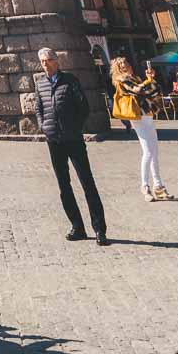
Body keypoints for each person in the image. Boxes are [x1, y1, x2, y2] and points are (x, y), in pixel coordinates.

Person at [33, 48, 109, 246]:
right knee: (63, 186)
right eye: (42, 61)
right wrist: (44, 127)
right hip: (54, 141)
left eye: (48, 60)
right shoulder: (40, 83)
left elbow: (83, 107)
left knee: (87, 183)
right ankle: (77, 227)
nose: (45, 64)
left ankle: (99, 229)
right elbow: (38, 108)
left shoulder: (70, 80)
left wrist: (74, 127)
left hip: (73, 139)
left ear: (57, 61)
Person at [110, 56, 173, 202]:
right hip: (137, 117)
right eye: (123, 64)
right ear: (119, 68)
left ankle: (159, 187)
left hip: (147, 114)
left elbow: (153, 92)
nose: (127, 65)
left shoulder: (136, 77)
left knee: (154, 151)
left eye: (127, 62)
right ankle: (145, 186)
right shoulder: (122, 80)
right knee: (148, 152)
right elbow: (137, 90)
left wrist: (150, 80)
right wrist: (149, 81)